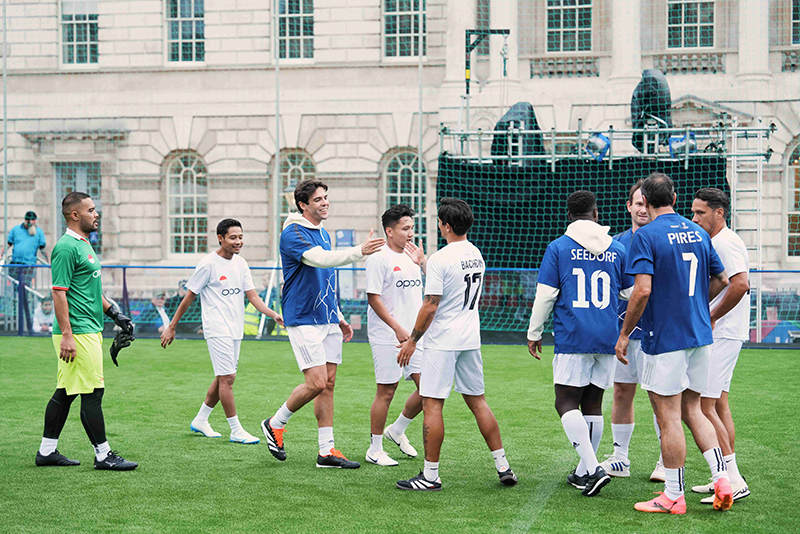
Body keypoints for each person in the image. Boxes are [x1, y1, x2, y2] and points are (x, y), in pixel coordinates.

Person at [615, 173, 733, 514]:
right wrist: (694, 305)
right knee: (693, 409)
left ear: (647, 202)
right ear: (675, 198)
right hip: (699, 335)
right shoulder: (698, 231)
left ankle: (673, 496)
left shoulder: (646, 235)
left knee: (668, 417)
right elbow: (722, 279)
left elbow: (642, 290)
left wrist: (624, 333)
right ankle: (722, 479)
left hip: (665, 337)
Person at [396, 198, 517, 491]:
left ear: (446, 226)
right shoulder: (475, 253)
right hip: (470, 338)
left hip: (443, 341)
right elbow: (453, 284)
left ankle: (430, 476)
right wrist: (423, 263)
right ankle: (503, 466)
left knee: (432, 404)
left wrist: (412, 340)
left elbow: (431, 304)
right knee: (478, 401)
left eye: (440, 222)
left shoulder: (442, 258)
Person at [261, 180, 385, 468]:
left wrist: (338, 316)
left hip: (327, 317)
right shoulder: (292, 233)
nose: (325, 202)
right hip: (303, 317)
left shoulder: (323, 233)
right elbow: (320, 260)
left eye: (326, 197)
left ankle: (326, 451)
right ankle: (275, 422)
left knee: (328, 385)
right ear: (303, 205)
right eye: (318, 199)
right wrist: (359, 251)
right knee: (316, 382)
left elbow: (326, 280)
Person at [527, 191, 629, 497]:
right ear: (596, 214)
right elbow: (629, 293)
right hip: (607, 336)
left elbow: (546, 294)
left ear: (568, 216)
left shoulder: (559, 247)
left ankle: (593, 468)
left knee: (565, 402)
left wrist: (534, 332)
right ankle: (585, 471)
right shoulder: (617, 249)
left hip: (573, 335)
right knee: (593, 403)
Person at [36, 192, 137, 471]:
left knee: (66, 392)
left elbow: (90, 291)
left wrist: (115, 313)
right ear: (75, 215)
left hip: (86, 329)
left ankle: (46, 451)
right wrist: (67, 335)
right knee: (93, 392)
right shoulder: (66, 247)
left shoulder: (84, 244)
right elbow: (59, 293)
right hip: (78, 333)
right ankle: (103, 455)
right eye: (91, 210)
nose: (96, 214)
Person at [161, 218, 283, 444]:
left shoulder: (241, 264)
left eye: (241, 237)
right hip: (217, 328)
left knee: (223, 377)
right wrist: (172, 326)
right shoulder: (208, 264)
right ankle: (236, 430)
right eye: (233, 237)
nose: (238, 242)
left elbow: (253, 296)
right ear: (220, 238)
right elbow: (189, 297)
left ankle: (201, 419)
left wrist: (273, 314)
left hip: (235, 328)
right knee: (227, 378)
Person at [599, 181, 665, 482]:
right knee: (621, 392)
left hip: (656, 333)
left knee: (659, 397)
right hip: (622, 332)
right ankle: (620, 458)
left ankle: (665, 459)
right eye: (638, 203)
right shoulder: (614, 244)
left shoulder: (662, 240)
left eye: (646, 203)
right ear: (629, 206)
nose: (642, 209)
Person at [690, 188, 751, 503]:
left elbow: (740, 284)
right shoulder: (720, 241)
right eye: (693, 212)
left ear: (719, 213)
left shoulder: (724, 242)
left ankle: (734, 480)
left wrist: (711, 316)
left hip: (723, 333)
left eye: (700, 213)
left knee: (704, 406)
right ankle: (725, 476)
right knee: (717, 404)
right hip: (727, 332)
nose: (695, 218)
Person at [365, 204, 426, 466]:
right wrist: (397, 328)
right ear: (389, 231)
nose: (410, 233)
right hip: (387, 336)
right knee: (387, 391)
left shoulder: (413, 257)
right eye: (405, 228)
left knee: (429, 389)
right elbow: (374, 298)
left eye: (412, 227)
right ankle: (374, 449)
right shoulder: (378, 258)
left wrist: (422, 262)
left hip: (415, 337)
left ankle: (397, 429)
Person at [6, 210, 48, 334]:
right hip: (15, 265)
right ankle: (18, 319)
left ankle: (28, 324)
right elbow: (8, 244)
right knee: (16, 293)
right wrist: (2, 254)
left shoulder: (38, 232)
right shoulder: (16, 230)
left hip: (28, 267)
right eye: (29, 221)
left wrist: (49, 261)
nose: (30, 224)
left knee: (24, 292)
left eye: (33, 221)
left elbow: (43, 249)